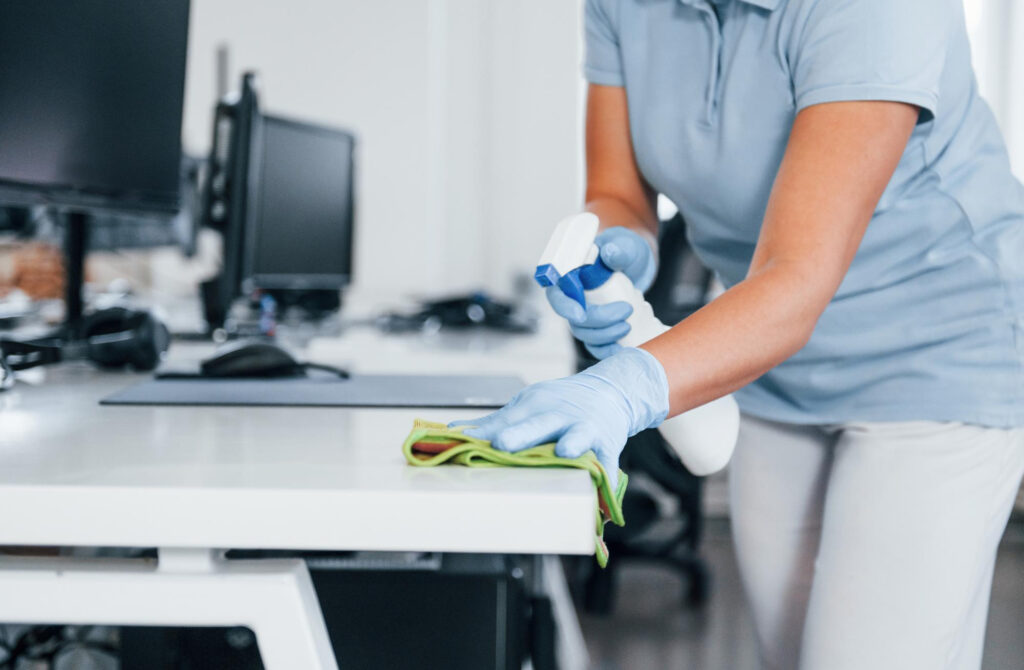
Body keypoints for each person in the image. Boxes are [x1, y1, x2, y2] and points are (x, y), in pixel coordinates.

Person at [454, 1, 1024, 668]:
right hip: (770, 364)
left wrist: (627, 387)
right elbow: (618, 188)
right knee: (791, 652)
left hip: (938, 354)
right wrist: (616, 247)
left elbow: (798, 274)